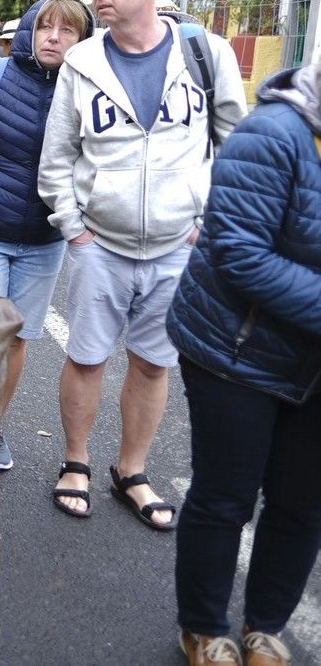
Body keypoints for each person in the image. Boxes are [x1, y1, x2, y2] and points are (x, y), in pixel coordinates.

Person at [38, 0, 246, 529]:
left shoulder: (206, 53)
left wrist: (209, 223)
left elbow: (238, 146)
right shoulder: (82, 63)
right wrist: (74, 229)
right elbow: (57, 159)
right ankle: (75, 462)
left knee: (154, 364)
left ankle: (132, 470)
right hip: (99, 245)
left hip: (179, 248)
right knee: (85, 357)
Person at [166, 63, 321, 665]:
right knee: (225, 496)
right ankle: (203, 628)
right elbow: (238, 252)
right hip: (237, 351)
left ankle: (265, 628)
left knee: (302, 501)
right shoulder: (273, 133)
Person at [0, 0, 93, 471]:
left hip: (44, 239)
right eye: (45, 27)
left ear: (83, 40)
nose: (54, 37)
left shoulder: (90, 88)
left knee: (17, 338)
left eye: (67, 30)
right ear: (27, 31)